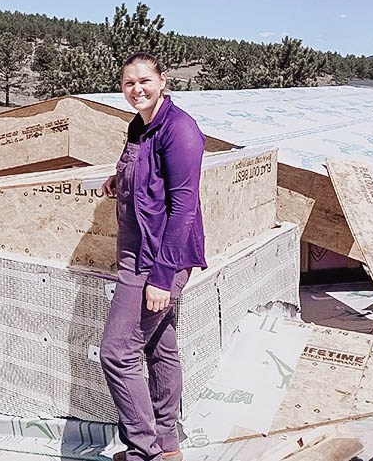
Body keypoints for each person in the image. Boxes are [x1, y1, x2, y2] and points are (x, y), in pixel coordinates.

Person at [100, 52, 207, 461]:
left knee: (117, 351)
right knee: (160, 344)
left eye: (145, 80)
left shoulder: (179, 130)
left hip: (157, 258)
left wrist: (162, 278)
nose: (136, 89)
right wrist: (119, 179)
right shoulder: (140, 124)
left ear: (163, 80)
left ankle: (144, 452)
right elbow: (143, 171)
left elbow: (185, 208)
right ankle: (166, 444)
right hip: (136, 250)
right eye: (129, 83)